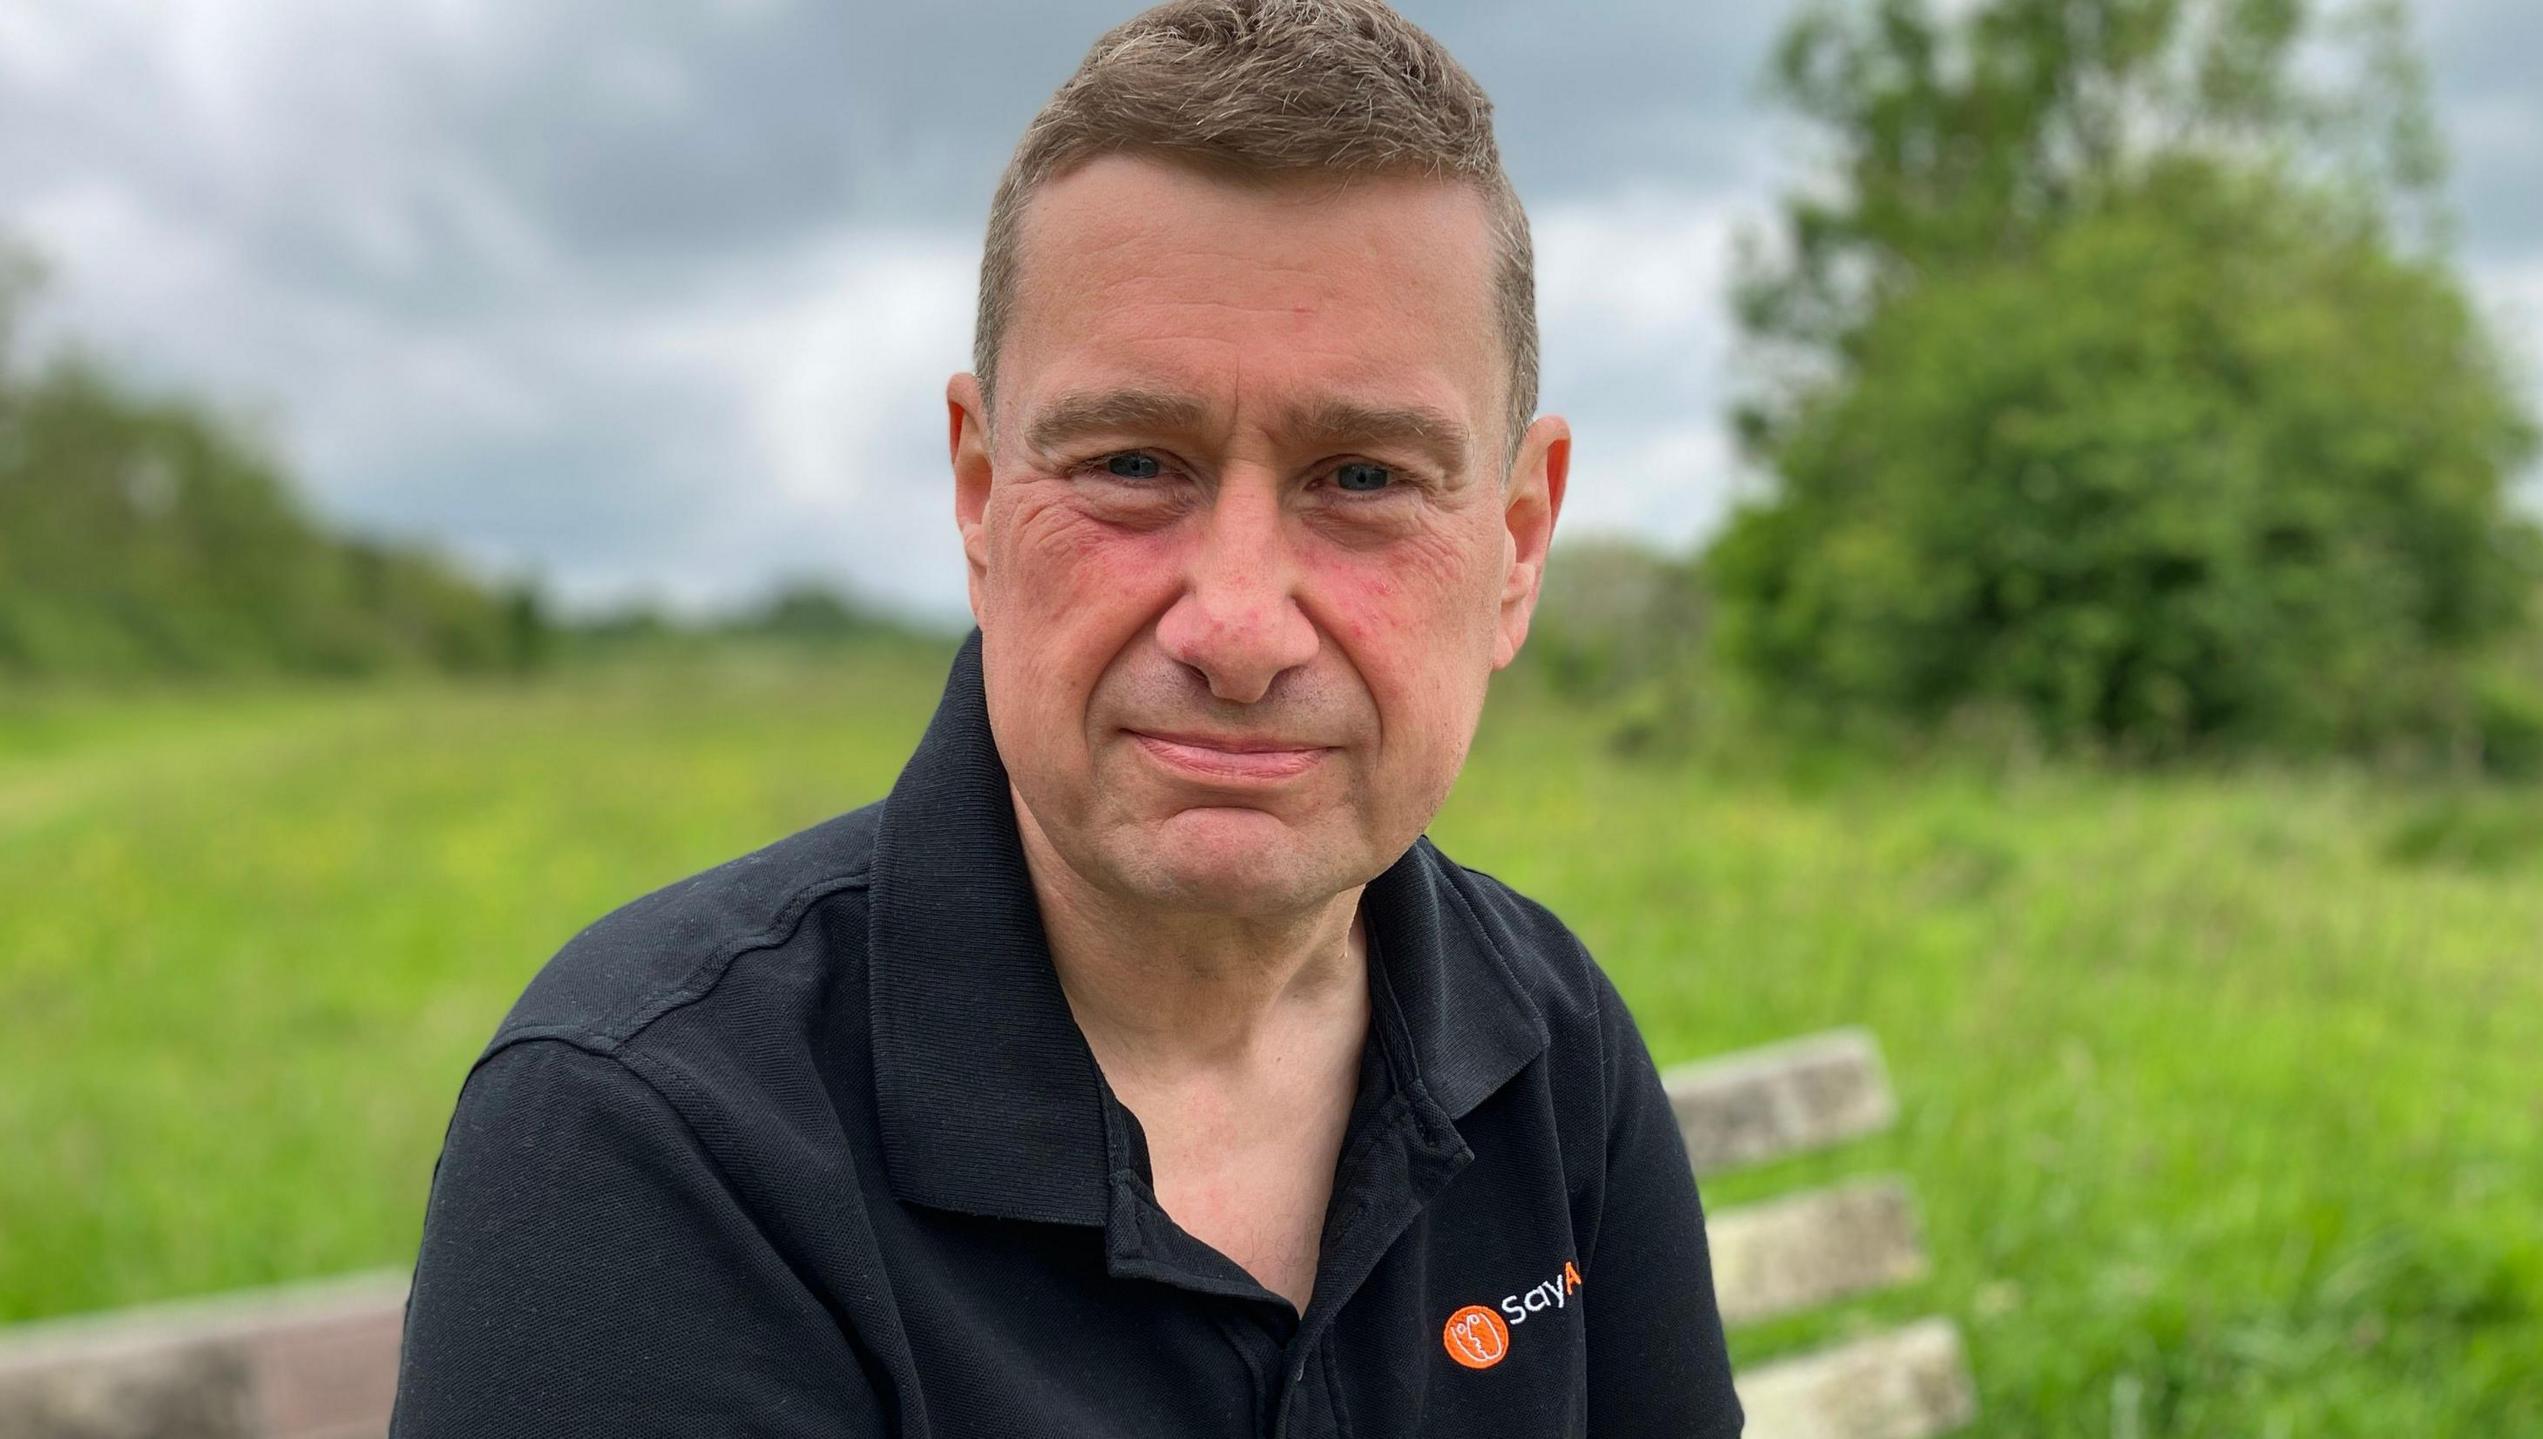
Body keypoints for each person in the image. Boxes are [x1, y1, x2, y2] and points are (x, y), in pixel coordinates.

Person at [389, 2, 1744, 1434]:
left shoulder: (1548, 1041)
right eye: (1134, 462)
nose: (1235, 628)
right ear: (980, 494)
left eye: (1362, 479)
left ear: (1519, 543)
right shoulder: (651, 1131)